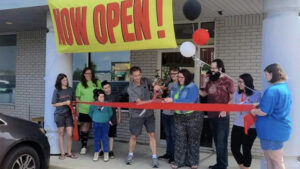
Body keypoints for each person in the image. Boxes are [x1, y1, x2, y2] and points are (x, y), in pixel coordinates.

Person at [251, 64, 291, 169]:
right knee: (270, 160)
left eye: (266, 74)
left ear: (272, 74)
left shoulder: (272, 90)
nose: (265, 77)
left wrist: (254, 111)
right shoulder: (284, 88)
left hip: (272, 131)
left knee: (277, 162)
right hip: (274, 130)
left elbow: (264, 112)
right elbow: (275, 106)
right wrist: (260, 104)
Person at [164, 69, 204, 169]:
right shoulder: (175, 86)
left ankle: (193, 162)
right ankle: (179, 162)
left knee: (193, 140)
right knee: (180, 140)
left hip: (193, 117)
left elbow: (190, 101)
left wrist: (173, 100)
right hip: (178, 116)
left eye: (182, 77)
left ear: (187, 77)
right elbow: (170, 97)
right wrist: (165, 99)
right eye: (179, 77)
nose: (179, 79)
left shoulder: (192, 87)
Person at [199, 59, 235, 169]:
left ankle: (222, 165)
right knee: (216, 140)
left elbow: (232, 99)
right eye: (211, 68)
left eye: (214, 68)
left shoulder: (228, 81)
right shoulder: (210, 81)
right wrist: (194, 88)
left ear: (220, 68)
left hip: (222, 116)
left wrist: (225, 110)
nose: (212, 70)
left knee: (221, 142)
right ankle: (220, 163)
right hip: (211, 115)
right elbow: (204, 94)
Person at [125, 66, 160, 168]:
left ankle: (154, 157)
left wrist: (156, 86)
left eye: (139, 75)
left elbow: (154, 85)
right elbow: (139, 103)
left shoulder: (145, 80)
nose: (138, 77)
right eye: (135, 76)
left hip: (149, 113)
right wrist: (151, 101)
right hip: (136, 114)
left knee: (152, 135)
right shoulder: (130, 88)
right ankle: (130, 155)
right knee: (133, 136)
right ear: (131, 76)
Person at [231, 73, 261, 169]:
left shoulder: (257, 94)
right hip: (237, 125)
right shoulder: (237, 94)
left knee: (246, 149)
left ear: (247, 82)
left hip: (250, 127)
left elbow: (262, 109)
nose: (239, 84)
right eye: (238, 81)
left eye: (241, 82)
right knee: (234, 148)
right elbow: (235, 107)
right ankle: (242, 166)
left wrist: (256, 107)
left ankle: (245, 167)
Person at [75, 67, 102, 155]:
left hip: (96, 109)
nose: (88, 75)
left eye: (90, 73)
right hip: (84, 109)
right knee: (85, 125)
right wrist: (77, 109)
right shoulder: (80, 84)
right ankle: (83, 146)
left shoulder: (97, 82)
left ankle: (98, 147)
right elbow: (77, 98)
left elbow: (101, 95)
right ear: (84, 74)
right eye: (87, 73)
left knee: (97, 127)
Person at [52, 73, 78, 160]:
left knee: (70, 134)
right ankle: (62, 153)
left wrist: (74, 108)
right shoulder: (57, 90)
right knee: (61, 133)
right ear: (60, 81)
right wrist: (64, 103)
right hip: (59, 115)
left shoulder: (70, 90)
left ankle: (69, 153)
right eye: (64, 80)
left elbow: (74, 102)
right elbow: (54, 104)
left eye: (66, 79)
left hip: (69, 114)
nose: (66, 81)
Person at [158, 67, 179, 163]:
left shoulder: (181, 85)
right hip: (166, 112)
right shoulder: (169, 84)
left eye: (175, 73)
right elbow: (164, 95)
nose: (173, 75)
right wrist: (160, 92)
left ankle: (175, 155)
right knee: (168, 134)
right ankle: (169, 153)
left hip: (174, 113)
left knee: (174, 135)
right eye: (172, 73)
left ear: (179, 74)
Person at [99, 80, 121, 158]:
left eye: (108, 87)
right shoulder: (101, 97)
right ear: (103, 89)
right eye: (105, 88)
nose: (107, 89)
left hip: (113, 119)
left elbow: (118, 107)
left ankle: (110, 151)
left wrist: (119, 118)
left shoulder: (115, 96)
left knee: (111, 136)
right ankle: (102, 150)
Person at [89, 89, 113, 162]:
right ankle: (96, 153)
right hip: (96, 123)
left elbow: (110, 113)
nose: (102, 98)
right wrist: (95, 118)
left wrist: (106, 118)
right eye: (100, 97)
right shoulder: (93, 104)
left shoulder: (107, 103)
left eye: (103, 96)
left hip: (105, 123)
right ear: (97, 97)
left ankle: (106, 153)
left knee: (105, 138)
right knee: (97, 139)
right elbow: (90, 113)